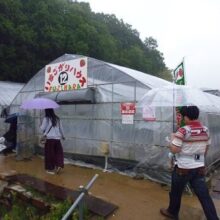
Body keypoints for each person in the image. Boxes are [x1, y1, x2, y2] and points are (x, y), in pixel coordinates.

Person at [160, 106, 219, 220]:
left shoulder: (183, 130)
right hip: (199, 168)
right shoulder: (205, 130)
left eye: (183, 116)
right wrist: (195, 158)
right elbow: (205, 150)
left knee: (176, 193)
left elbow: (174, 150)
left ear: (186, 117)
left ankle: (172, 212)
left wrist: (171, 140)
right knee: (204, 196)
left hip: (183, 169)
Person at [40, 108, 65, 175]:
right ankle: (59, 164)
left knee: (49, 154)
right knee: (58, 153)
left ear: (46, 111)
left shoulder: (46, 118)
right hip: (57, 139)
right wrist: (63, 136)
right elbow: (61, 128)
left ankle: (50, 169)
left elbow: (42, 128)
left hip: (49, 139)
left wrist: (41, 124)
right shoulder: (57, 118)